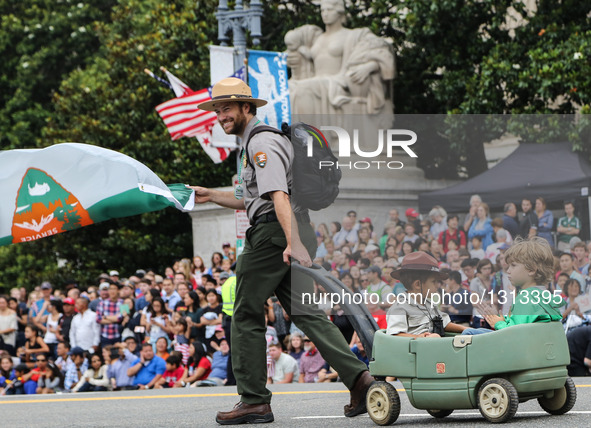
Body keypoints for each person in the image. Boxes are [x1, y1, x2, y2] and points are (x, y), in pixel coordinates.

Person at [189, 77, 372, 424]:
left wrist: (292, 242)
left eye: (227, 107)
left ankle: (254, 400)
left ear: (247, 108)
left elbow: (278, 196)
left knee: (244, 312)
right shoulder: (262, 142)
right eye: (217, 108)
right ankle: (360, 380)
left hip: (275, 233)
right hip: (287, 228)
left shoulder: (261, 144)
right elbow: (249, 198)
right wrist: (211, 194)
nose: (220, 114)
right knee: (307, 315)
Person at [463, 237, 565, 334]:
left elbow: (513, 333)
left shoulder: (526, 298)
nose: (508, 271)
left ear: (531, 270)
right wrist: (500, 318)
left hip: (522, 349)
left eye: (513, 265)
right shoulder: (543, 295)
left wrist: (497, 322)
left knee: (469, 332)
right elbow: (519, 324)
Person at [386, 252, 468, 337]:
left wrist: (465, 329)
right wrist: (420, 337)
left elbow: (445, 324)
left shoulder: (430, 305)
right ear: (417, 284)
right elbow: (395, 335)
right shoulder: (399, 308)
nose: (437, 285)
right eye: (433, 282)